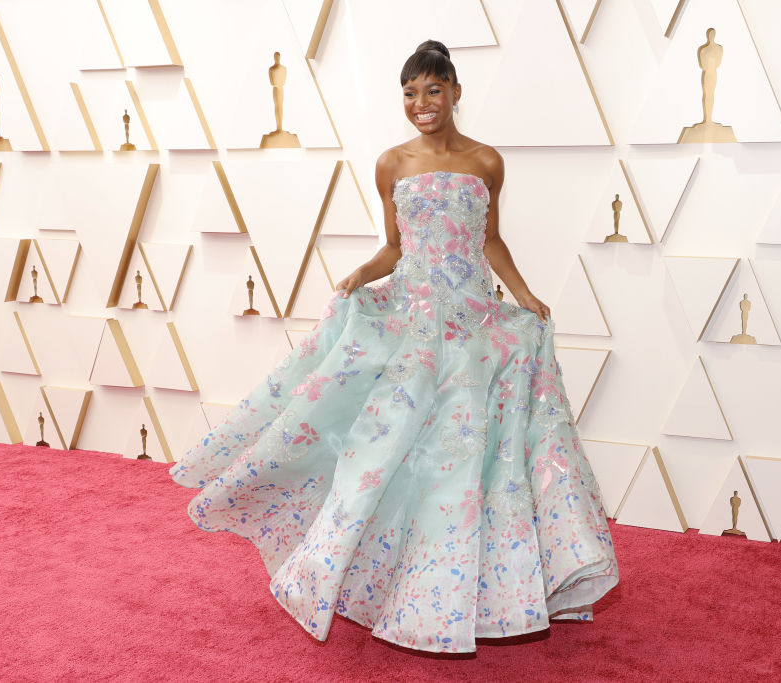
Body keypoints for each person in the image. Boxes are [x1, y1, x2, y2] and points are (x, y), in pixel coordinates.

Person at [170, 39, 619, 654]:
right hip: (412, 319)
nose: (421, 102)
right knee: (385, 447)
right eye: (410, 93)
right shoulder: (391, 163)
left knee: (463, 454)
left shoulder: (487, 161)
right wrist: (361, 275)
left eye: (433, 89)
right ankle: (373, 574)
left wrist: (524, 296)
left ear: (455, 91)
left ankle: (469, 588)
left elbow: (489, 239)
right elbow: (395, 247)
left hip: (471, 323)